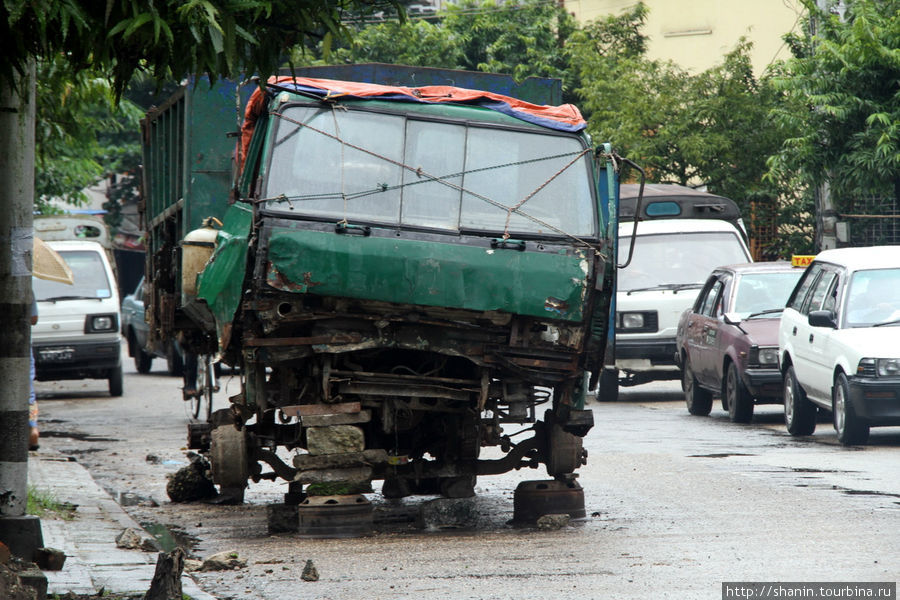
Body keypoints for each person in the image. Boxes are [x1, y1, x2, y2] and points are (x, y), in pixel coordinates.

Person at [29, 296, 39, 451]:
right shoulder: (22, 284)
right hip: (20, 345)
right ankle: (32, 427)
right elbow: (33, 318)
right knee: (26, 389)